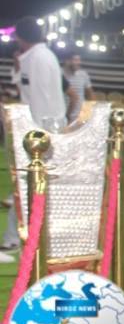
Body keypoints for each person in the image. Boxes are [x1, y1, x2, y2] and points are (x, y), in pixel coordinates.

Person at [1, 19, 69, 262]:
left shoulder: (36, 58)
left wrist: (35, 134)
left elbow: (38, 98)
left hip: (39, 131)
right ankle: (23, 240)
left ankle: (13, 241)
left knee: (26, 185)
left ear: (20, 38)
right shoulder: (43, 56)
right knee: (31, 186)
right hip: (47, 128)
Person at [63, 53, 94, 122]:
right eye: (75, 60)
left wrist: (87, 113)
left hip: (80, 117)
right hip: (63, 116)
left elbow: (90, 95)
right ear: (67, 61)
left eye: (79, 60)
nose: (79, 62)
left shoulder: (83, 74)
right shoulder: (60, 74)